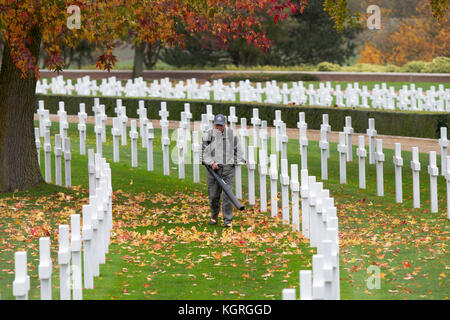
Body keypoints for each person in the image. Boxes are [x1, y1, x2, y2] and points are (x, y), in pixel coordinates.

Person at [200, 114, 246, 227]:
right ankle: (214, 216)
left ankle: (227, 220)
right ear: (213, 124)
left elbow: (239, 153)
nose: (218, 127)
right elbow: (203, 153)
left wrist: (229, 163)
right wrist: (212, 163)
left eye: (220, 125)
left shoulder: (232, 136)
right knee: (213, 196)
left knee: (227, 197)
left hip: (227, 171)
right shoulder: (208, 135)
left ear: (224, 125)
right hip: (213, 171)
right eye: (216, 125)